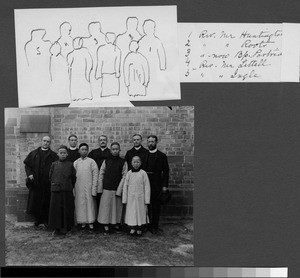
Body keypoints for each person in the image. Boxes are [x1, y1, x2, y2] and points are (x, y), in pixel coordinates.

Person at [24, 135, 58, 228]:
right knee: (36, 201)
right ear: (41, 141)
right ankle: (38, 220)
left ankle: (46, 220)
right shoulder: (34, 153)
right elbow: (27, 166)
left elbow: (56, 167)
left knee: (47, 201)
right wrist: (29, 174)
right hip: (36, 182)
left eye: (48, 141)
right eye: (44, 141)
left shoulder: (53, 155)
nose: (46, 143)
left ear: (50, 143)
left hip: (47, 183)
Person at [96, 142, 127, 234]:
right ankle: (106, 224)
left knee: (117, 207)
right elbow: (101, 174)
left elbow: (124, 176)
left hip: (117, 188)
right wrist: (100, 188)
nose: (115, 151)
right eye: (113, 149)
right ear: (110, 150)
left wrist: (120, 189)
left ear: (119, 150)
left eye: (117, 149)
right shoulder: (106, 161)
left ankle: (116, 224)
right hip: (106, 187)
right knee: (106, 207)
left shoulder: (123, 162)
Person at [48, 145, 76, 236]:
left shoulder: (70, 164)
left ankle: (67, 228)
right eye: (61, 153)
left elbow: (73, 178)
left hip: (67, 190)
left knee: (67, 210)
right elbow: (50, 177)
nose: (62, 154)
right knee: (56, 210)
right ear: (58, 154)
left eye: (64, 153)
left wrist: (68, 185)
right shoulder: (53, 164)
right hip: (56, 191)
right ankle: (57, 229)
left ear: (67, 154)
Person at [145, 135, 169, 234]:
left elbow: (166, 171)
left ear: (156, 142)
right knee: (147, 205)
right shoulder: (144, 155)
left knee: (155, 206)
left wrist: (164, 186)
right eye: (149, 142)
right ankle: (147, 225)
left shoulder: (162, 156)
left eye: (152, 142)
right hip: (146, 183)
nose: (150, 144)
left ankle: (155, 226)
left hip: (157, 184)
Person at [122, 156, 150, 236]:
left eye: (137, 162)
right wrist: (125, 199)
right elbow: (125, 186)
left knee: (140, 212)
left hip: (140, 197)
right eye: (134, 162)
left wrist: (146, 199)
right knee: (132, 212)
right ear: (131, 163)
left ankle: (139, 228)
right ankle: (133, 227)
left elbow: (147, 187)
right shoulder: (129, 173)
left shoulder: (143, 173)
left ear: (140, 163)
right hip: (131, 197)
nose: (136, 164)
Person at [73, 143, 98, 232]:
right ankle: (82, 222)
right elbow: (72, 176)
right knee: (80, 204)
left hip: (89, 186)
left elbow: (95, 175)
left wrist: (94, 188)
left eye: (85, 149)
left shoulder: (92, 162)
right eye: (82, 149)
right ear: (79, 151)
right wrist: (73, 189)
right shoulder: (76, 162)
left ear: (87, 151)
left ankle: (90, 223)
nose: (84, 151)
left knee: (89, 204)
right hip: (78, 187)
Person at [88, 135, 111, 210]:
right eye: (101, 140)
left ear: (107, 141)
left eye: (104, 140)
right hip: (95, 179)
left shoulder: (111, 152)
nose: (103, 141)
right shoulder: (93, 152)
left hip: (107, 179)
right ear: (99, 142)